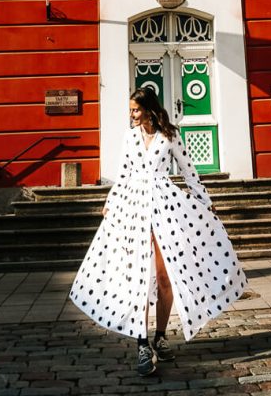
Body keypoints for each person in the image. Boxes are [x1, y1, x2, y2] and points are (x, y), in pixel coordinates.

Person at [69, 86, 247, 376]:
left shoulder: (170, 135)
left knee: (165, 277)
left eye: (136, 110)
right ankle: (141, 343)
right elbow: (124, 174)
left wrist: (205, 203)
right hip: (134, 208)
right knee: (138, 277)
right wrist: (110, 201)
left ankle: (160, 336)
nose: (132, 115)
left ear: (149, 109)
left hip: (167, 208)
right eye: (130, 110)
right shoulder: (129, 137)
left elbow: (190, 171)